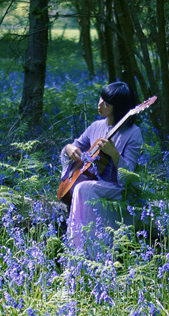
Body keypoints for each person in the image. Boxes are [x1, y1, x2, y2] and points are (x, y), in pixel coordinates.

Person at [59, 82, 144, 259]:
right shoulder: (95, 126)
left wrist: (114, 153)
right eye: (101, 99)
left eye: (106, 103)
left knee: (83, 188)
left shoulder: (133, 133)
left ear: (118, 108)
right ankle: (76, 249)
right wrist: (69, 148)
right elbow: (75, 145)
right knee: (82, 187)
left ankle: (91, 254)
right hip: (95, 185)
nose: (99, 104)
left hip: (116, 190)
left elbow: (128, 178)